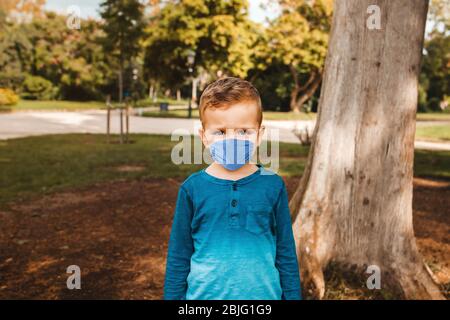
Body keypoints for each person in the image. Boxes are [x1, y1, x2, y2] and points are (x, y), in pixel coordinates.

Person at [163, 77, 302, 300]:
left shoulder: (273, 186)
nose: (232, 140)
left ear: (259, 134)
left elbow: (285, 251)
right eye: (219, 132)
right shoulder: (192, 189)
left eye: (243, 131)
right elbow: (179, 255)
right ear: (204, 137)